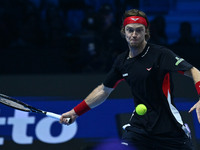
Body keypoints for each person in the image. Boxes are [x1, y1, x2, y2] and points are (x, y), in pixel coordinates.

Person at [60, 9, 200, 150]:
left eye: (139, 30)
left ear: (146, 32)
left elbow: (194, 71)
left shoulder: (161, 54)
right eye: (130, 30)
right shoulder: (122, 62)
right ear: (124, 32)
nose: (134, 34)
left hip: (170, 130)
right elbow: (103, 90)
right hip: (139, 130)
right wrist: (75, 112)